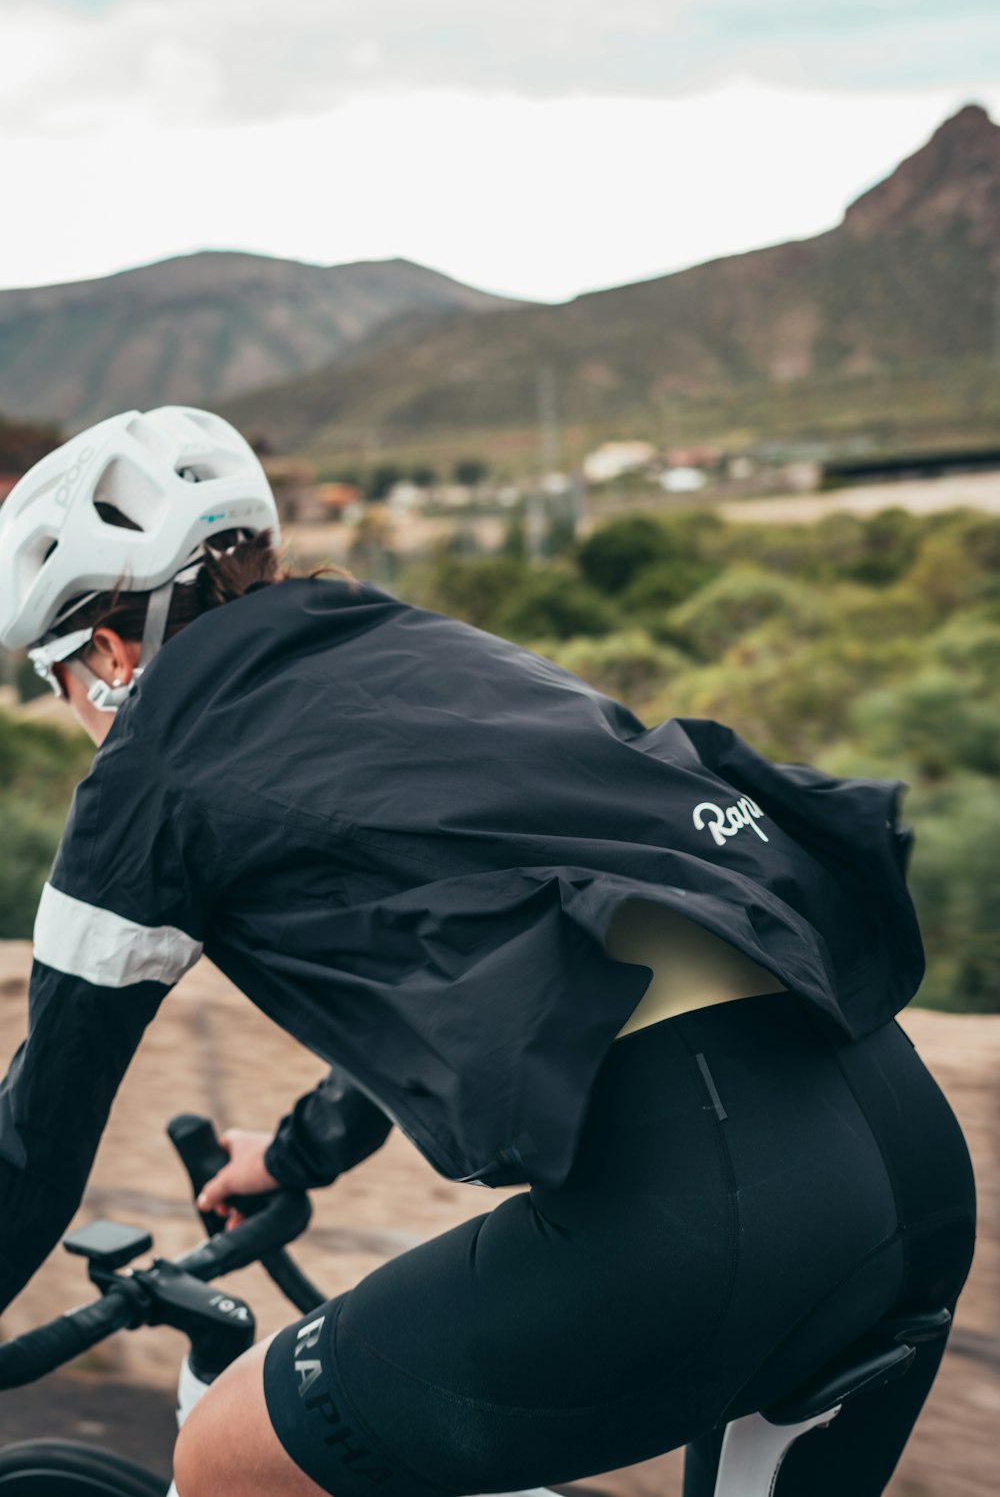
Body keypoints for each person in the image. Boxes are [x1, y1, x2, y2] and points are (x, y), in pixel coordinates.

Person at [0, 406, 976, 1497]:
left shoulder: (149, 767)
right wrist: (291, 1151)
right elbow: (498, 942)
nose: (67, 706)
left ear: (107, 653)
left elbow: (36, 1141)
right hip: (902, 1148)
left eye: (53, 674)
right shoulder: (416, 647)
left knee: (225, 1450)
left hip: (707, 1203)